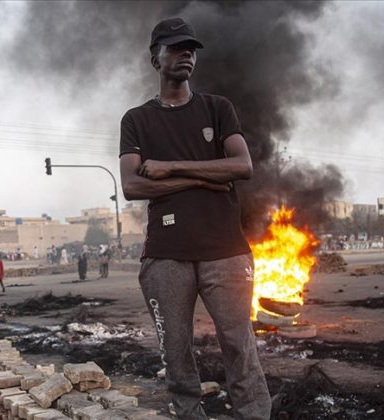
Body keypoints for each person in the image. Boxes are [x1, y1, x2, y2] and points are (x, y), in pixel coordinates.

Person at [118, 18, 270, 419]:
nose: (187, 53)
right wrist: (205, 177)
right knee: (176, 352)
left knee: (240, 344)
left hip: (226, 252)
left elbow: (242, 166)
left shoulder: (218, 108)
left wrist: (169, 168)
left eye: (191, 48)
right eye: (175, 47)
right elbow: (132, 186)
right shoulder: (136, 120)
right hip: (166, 256)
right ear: (156, 58)